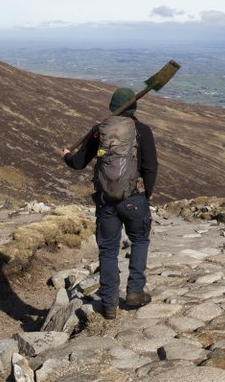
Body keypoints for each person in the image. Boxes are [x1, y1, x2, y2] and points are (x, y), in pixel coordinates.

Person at [63, 87, 158, 319]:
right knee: (140, 240)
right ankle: (135, 291)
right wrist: (147, 194)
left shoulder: (100, 131)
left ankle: (108, 304)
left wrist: (66, 154)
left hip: (106, 202)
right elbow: (150, 167)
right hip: (134, 199)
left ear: (111, 107)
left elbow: (77, 163)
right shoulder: (142, 130)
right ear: (134, 108)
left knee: (107, 250)